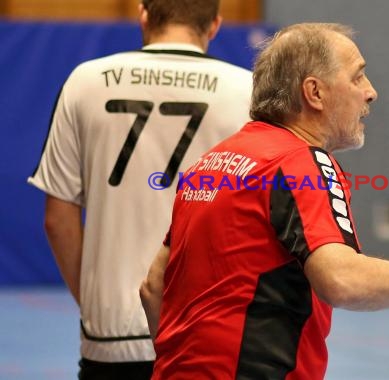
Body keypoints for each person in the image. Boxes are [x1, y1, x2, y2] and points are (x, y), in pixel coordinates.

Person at [140, 23, 389, 379]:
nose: (371, 91)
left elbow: (154, 287)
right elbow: (341, 280)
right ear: (314, 92)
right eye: (357, 76)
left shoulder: (211, 163)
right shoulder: (300, 161)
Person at [27, 0, 253, 378]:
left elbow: (57, 218)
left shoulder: (86, 81)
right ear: (214, 25)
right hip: (208, 334)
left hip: (111, 335)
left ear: (143, 14)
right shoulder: (246, 91)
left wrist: (96, 303)